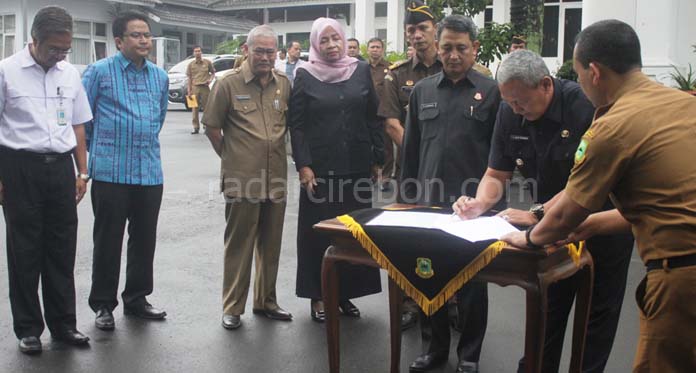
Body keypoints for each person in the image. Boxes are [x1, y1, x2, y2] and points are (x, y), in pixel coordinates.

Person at [499, 20, 696, 373]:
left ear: (594, 72)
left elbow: (564, 216)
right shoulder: (683, 104)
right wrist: (590, 225)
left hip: (681, 274)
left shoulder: (611, 125)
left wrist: (529, 237)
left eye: (577, 74)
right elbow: (657, 207)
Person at [452, 50, 634, 373]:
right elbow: (496, 173)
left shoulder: (585, 107)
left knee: (596, 317)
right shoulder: (509, 111)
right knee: (547, 310)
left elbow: (588, 185)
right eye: (509, 102)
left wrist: (536, 215)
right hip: (551, 231)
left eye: (520, 101)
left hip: (599, 222)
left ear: (546, 85)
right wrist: (480, 203)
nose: (515, 109)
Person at [401, 15, 501, 373]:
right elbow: (410, 151)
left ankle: (469, 355)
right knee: (429, 276)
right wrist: (406, 199)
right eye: (447, 48)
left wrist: (493, 205)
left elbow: (499, 156)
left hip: (476, 207)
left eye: (461, 48)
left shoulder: (493, 92)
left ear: (475, 48)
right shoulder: (423, 91)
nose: (454, 55)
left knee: (473, 284)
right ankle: (434, 350)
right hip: (430, 202)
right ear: (437, 49)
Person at [0, 5, 91, 354]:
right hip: (19, 167)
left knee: (61, 249)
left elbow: (79, 124)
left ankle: (64, 324)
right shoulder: (7, 72)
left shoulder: (69, 75)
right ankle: (27, 329)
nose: (60, 55)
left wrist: (82, 172)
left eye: (65, 49)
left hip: (60, 170)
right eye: (54, 48)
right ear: (34, 41)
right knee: (24, 250)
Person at [289, 17, 384, 323]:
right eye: (324, 40)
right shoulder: (304, 74)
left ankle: (345, 294)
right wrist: (303, 165)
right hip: (321, 172)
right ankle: (318, 296)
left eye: (336, 39)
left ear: (344, 40)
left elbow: (373, 116)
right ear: (315, 43)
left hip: (357, 168)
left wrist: (378, 158)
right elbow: (298, 125)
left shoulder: (360, 70)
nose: (331, 46)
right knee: (318, 235)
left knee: (353, 235)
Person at [82, 10, 169, 331]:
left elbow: (158, 118)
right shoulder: (98, 72)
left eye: (146, 34)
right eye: (136, 35)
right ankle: (103, 304)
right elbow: (84, 119)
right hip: (110, 173)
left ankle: (137, 298)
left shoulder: (158, 77)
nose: (144, 40)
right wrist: (103, 149)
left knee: (144, 239)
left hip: (149, 172)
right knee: (108, 240)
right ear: (119, 41)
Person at [202, 25, 293, 330]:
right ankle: (232, 307)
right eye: (260, 51)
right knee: (239, 246)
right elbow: (212, 128)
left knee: (271, 245)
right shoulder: (227, 83)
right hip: (243, 178)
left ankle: (266, 300)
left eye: (270, 51)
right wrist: (232, 157)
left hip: (276, 177)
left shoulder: (283, 83)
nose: (266, 57)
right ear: (246, 50)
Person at [377, 0, 443, 330]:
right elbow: (391, 123)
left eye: (422, 29)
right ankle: (408, 301)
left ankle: (452, 300)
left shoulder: (454, 67)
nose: (416, 35)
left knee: (450, 235)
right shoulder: (398, 73)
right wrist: (422, 154)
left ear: (436, 32)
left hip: (451, 173)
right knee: (409, 237)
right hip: (412, 172)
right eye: (411, 30)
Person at [366, 37, 392, 191]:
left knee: (386, 147)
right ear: (368, 50)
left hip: (384, 112)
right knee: (369, 146)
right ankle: (373, 174)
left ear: (382, 50)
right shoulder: (362, 68)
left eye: (378, 47)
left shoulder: (390, 68)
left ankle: (386, 177)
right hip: (367, 114)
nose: (375, 50)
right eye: (372, 47)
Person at [187, 45, 215, 134]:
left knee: (207, 108)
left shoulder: (207, 62)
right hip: (195, 88)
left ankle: (206, 125)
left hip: (205, 88)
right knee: (194, 109)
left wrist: (210, 80)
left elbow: (213, 73)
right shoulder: (191, 64)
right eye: (196, 51)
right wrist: (189, 90)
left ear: (201, 52)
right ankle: (196, 127)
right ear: (193, 53)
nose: (197, 53)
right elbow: (189, 78)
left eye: (199, 51)